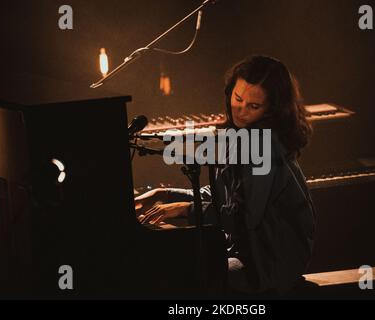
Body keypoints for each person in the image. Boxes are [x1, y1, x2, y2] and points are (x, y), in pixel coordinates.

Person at [135, 55, 315, 298]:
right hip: (246, 253)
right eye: (237, 99)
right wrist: (166, 195)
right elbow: (222, 194)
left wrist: (187, 209)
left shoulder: (263, 144)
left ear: (272, 108)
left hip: (267, 264)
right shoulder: (240, 136)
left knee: (177, 279)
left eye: (253, 106)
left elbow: (244, 217)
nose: (240, 111)